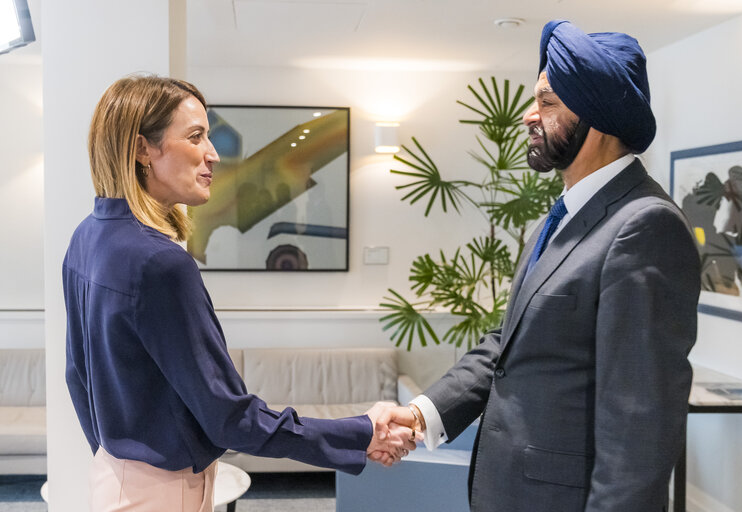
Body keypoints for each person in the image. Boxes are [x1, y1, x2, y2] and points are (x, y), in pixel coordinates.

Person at [377, 20, 701, 512]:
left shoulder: (645, 226)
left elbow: (639, 423)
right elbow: (508, 347)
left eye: (547, 102)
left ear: (596, 115)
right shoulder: (560, 217)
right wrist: (422, 413)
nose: (529, 117)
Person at [63, 75, 415, 512]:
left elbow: (76, 375)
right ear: (140, 149)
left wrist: (120, 455)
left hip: (113, 477)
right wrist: (362, 432)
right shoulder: (161, 263)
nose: (212, 154)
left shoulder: (87, 236)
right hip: (161, 492)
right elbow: (229, 417)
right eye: (195, 137)